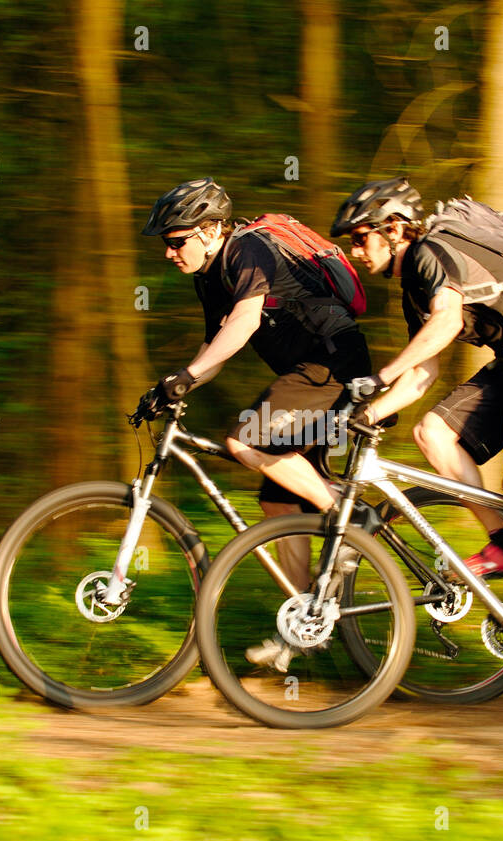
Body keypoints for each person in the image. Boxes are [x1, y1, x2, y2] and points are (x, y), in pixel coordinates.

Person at [331, 177, 503, 675]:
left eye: (361, 237)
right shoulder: (414, 284)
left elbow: (447, 325)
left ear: (393, 229)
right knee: (432, 434)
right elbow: (424, 369)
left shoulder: (432, 252)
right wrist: (367, 413)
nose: (357, 251)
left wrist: (378, 377)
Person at [138, 178, 374, 671]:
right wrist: (172, 386)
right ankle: (309, 621)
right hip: (305, 377)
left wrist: (188, 377)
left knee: (247, 439)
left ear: (210, 229)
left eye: (176, 241)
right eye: (166, 244)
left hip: (330, 365)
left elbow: (245, 322)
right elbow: (217, 348)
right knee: (279, 504)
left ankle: (354, 518)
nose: (169, 253)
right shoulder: (209, 276)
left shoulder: (247, 248)